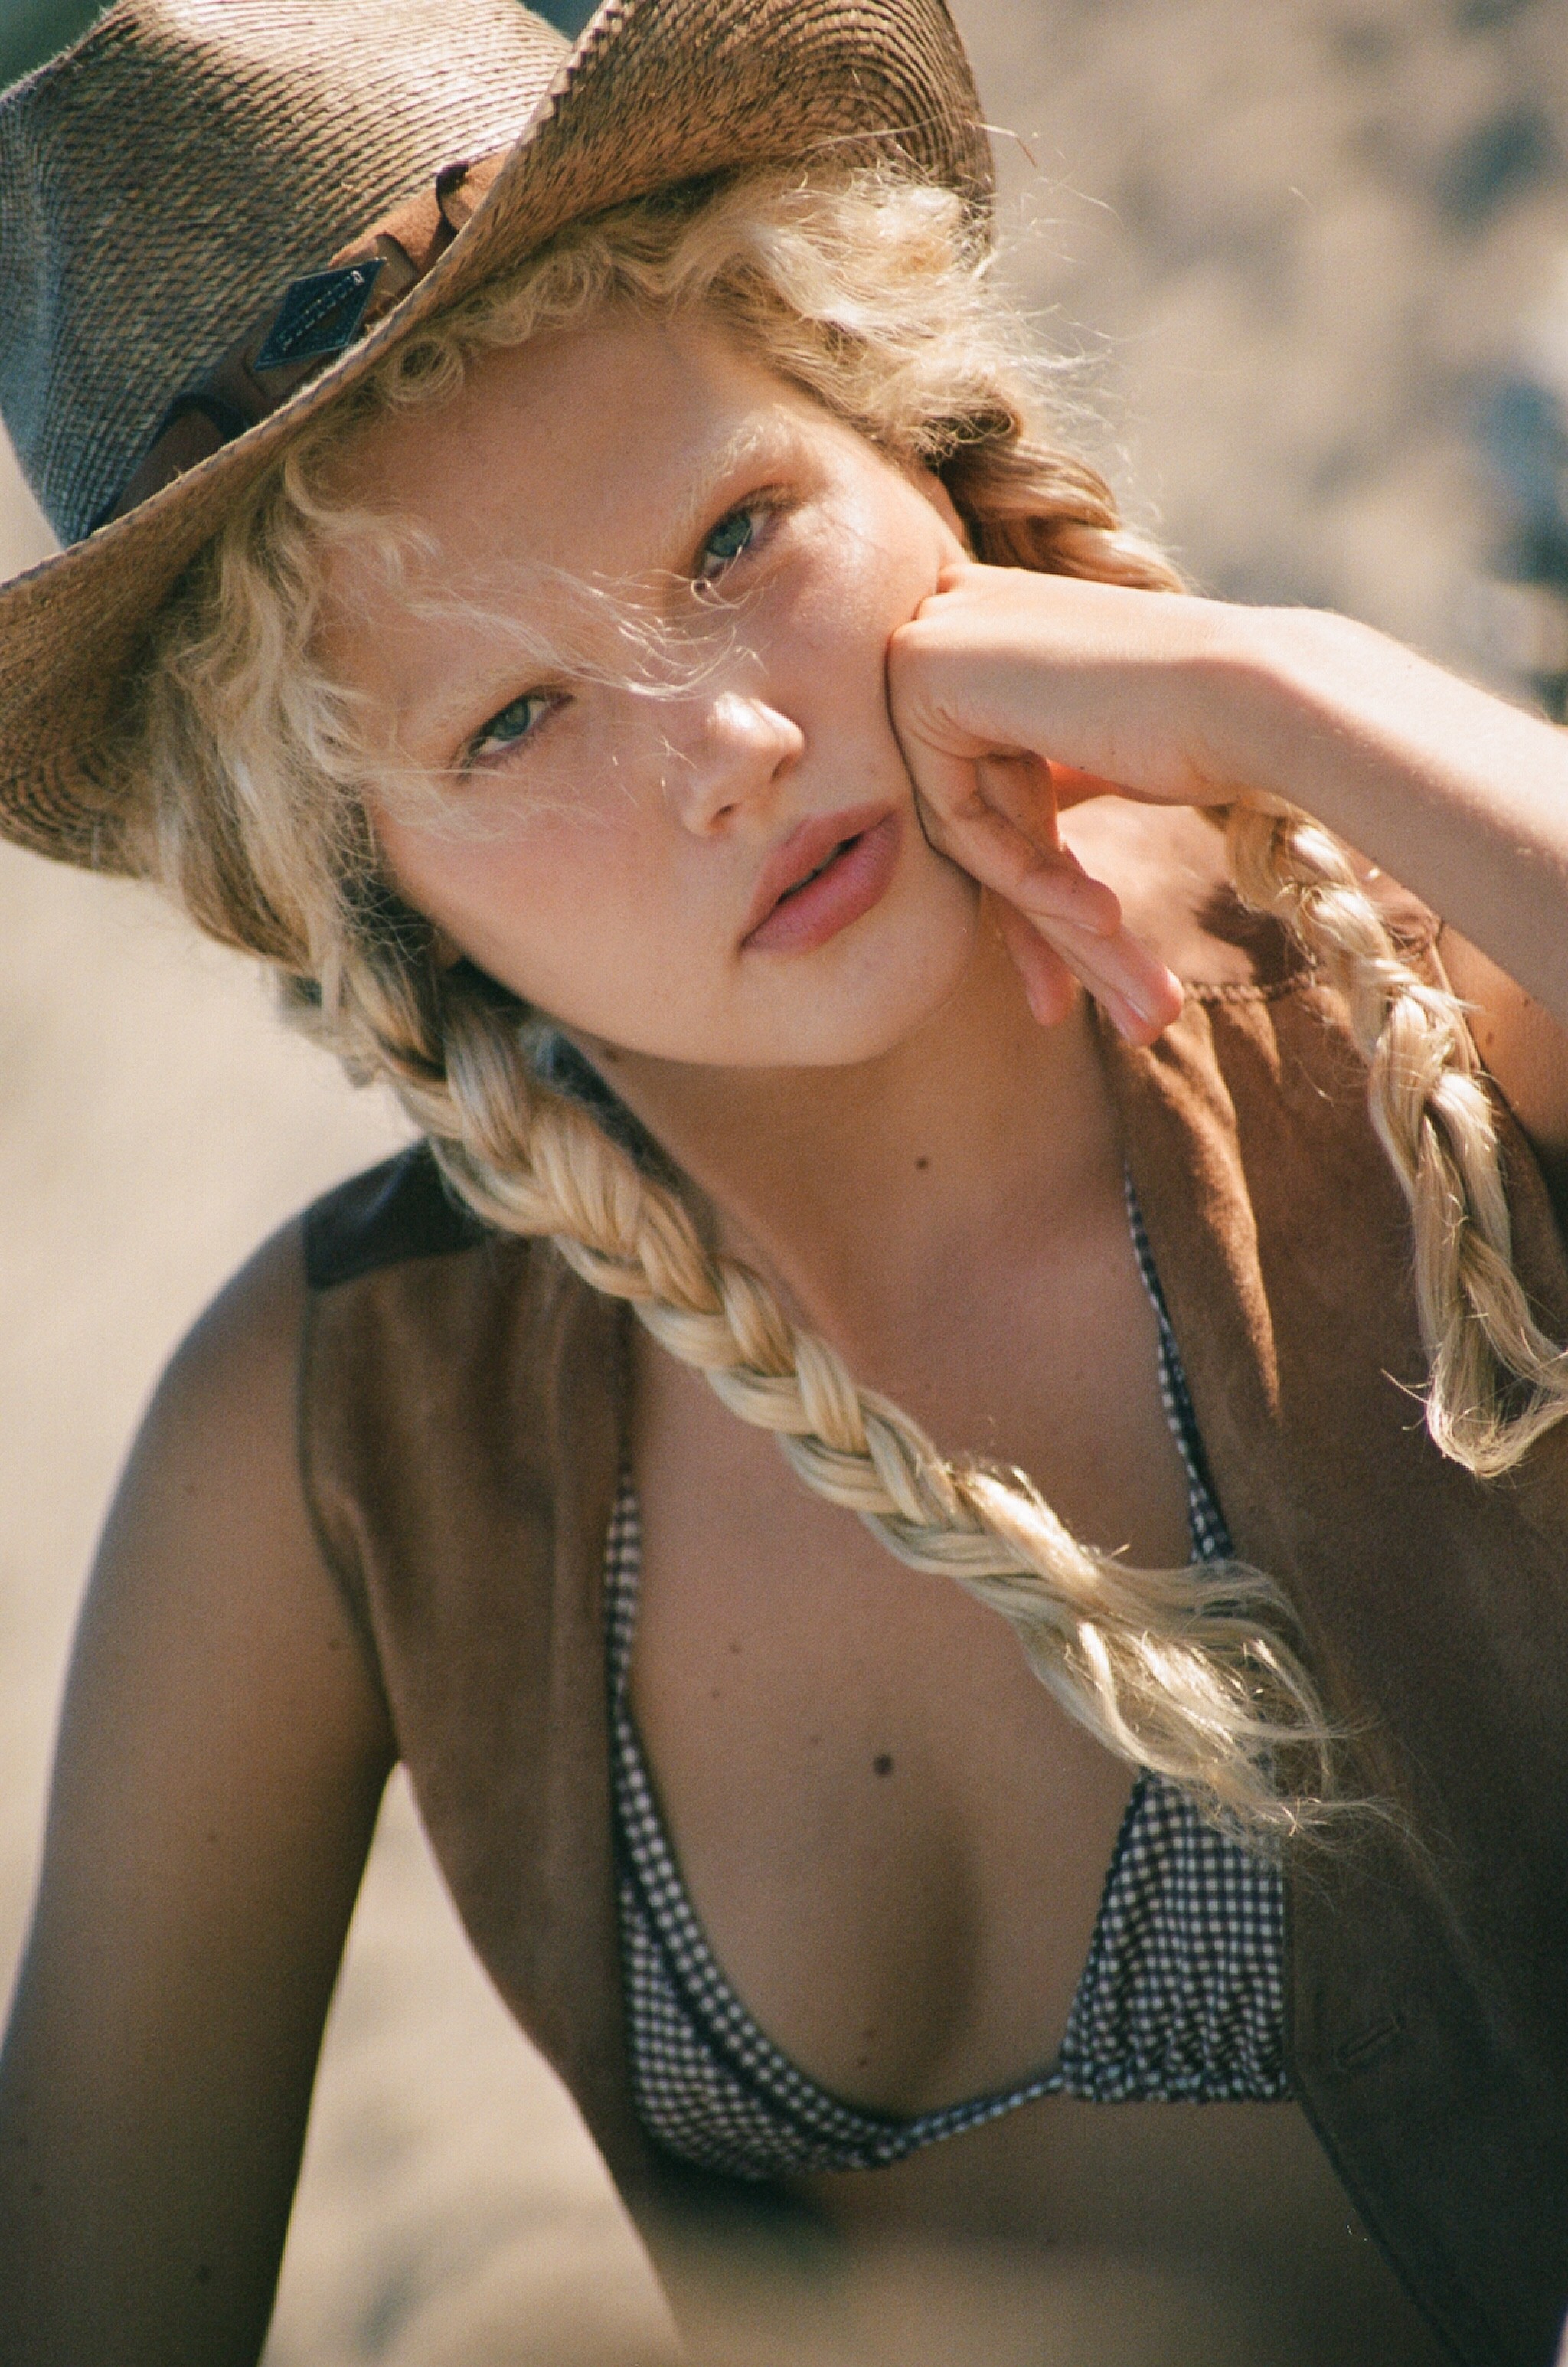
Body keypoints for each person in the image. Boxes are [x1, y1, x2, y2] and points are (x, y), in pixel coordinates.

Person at [0, 2, 1566, 2362]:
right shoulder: (345, 1442)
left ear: (909, 444)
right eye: (512, 720)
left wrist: (1270, 691)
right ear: (374, 887)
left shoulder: (1409, 1010)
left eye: (738, 535)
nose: (726, 748)